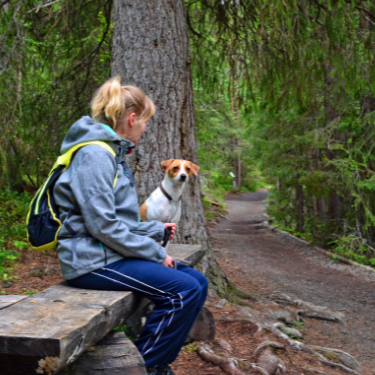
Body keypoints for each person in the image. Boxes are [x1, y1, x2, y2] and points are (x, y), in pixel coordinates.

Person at [54, 76, 208, 375]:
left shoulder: (112, 154)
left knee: (197, 283)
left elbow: (118, 221)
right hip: (90, 259)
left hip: (107, 253)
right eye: (145, 122)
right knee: (182, 290)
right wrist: (154, 253)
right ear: (132, 118)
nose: (146, 128)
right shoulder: (94, 155)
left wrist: (153, 231)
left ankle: (157, 362)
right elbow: (101, 226)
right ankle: (145, 368)